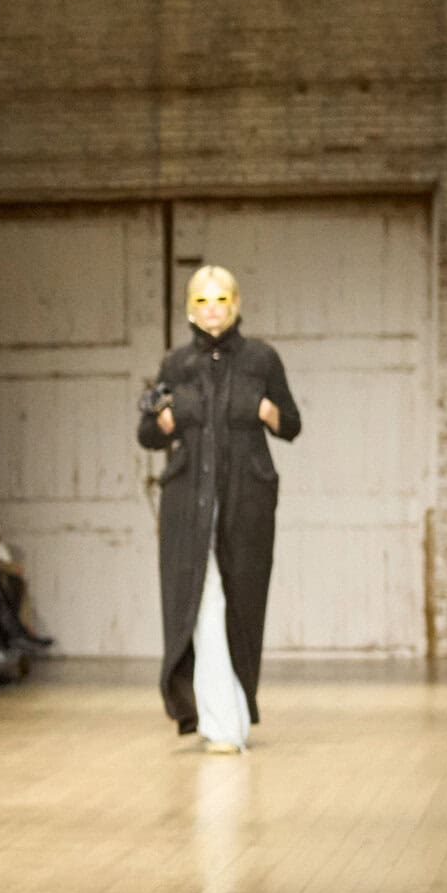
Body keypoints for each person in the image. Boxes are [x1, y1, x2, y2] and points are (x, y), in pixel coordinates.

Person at [136, 265, 302, 752]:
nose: (212, 310)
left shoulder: (261, 359)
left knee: (241, 600)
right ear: (190, 308)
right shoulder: (176, 364)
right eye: (203, 301)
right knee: (200, 602)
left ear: (236, 304)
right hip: (187, 500)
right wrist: (165, 422)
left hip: (246, 499)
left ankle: (235, 711)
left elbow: (292, 424)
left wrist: (266, 411)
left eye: (221, 300)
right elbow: (146, 433)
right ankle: (218, 721)